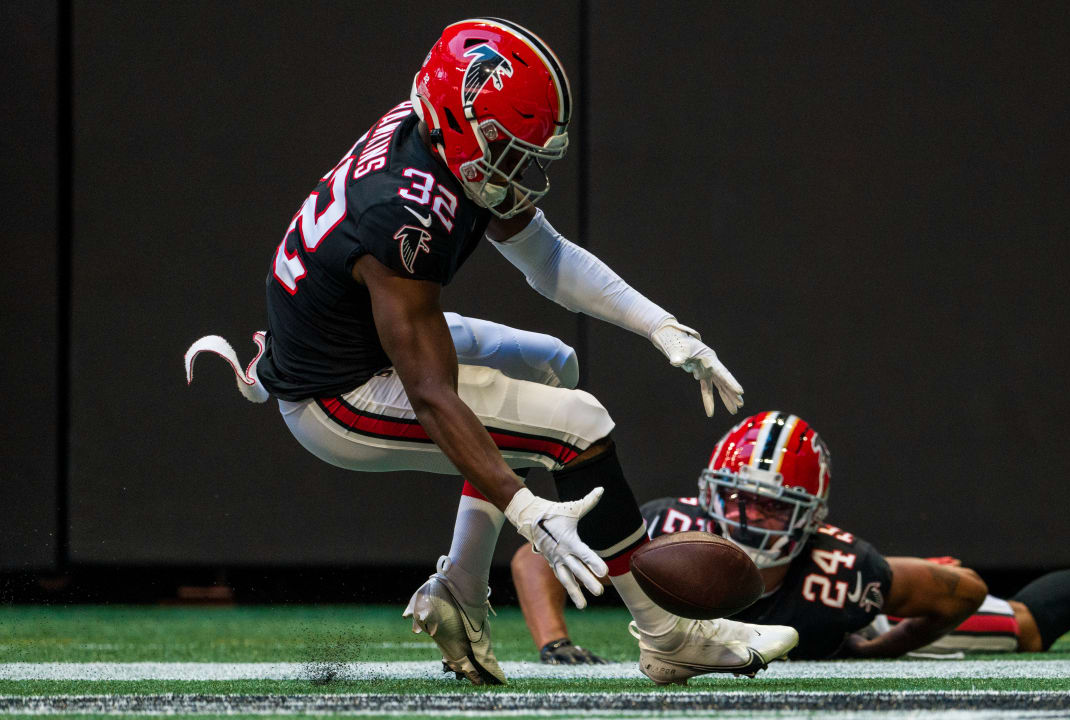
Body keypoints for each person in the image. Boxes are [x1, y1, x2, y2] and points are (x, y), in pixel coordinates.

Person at [184, 17, 798, 686]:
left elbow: (548, 260)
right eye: (508, 149)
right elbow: (432, 394)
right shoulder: (402, 213)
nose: (520, 168)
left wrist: (659, 325)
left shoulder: (442, 141)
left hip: (360, 337)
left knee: (552, 364)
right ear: (459, 120)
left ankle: (460, 588)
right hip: (337, 395)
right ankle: (668, 635)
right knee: (579, 425)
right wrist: (526, 508)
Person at [512, 410, 1070, 662]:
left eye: (773, 510)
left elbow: (960, 593)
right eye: (739, 500)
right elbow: (532, 555)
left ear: (811, 518)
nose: (750, 521)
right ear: (710, 493)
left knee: (1022, 626)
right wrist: (553, 642)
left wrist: (877, 645)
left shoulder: (845, 573)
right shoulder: (671, 533)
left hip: (852, 627)